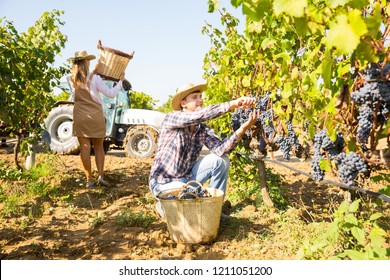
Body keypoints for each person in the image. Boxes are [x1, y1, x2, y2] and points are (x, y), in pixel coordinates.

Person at [149, 82, 260, 219]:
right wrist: (234, 104)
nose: (200, 100)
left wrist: (242, 129)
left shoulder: (203, 129)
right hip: (163, 182)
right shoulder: (172, 118)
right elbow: (199, 116)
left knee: (221, 160)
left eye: (200, 96)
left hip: (187, 179)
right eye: (194, 97)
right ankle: (163, 206)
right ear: (183, 103)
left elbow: (221, 150)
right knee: (188, 205)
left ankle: (214, 210)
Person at [68, 50, 125, 188]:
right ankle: (101, 176)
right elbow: (111, 94)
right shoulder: (95, 78)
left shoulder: (70, 78)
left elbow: (76, 94)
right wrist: (120, 82)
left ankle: (89, 179)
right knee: (98, 147)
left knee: (84, 148)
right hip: (95, 115)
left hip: (81, 115)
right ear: (86, 62)